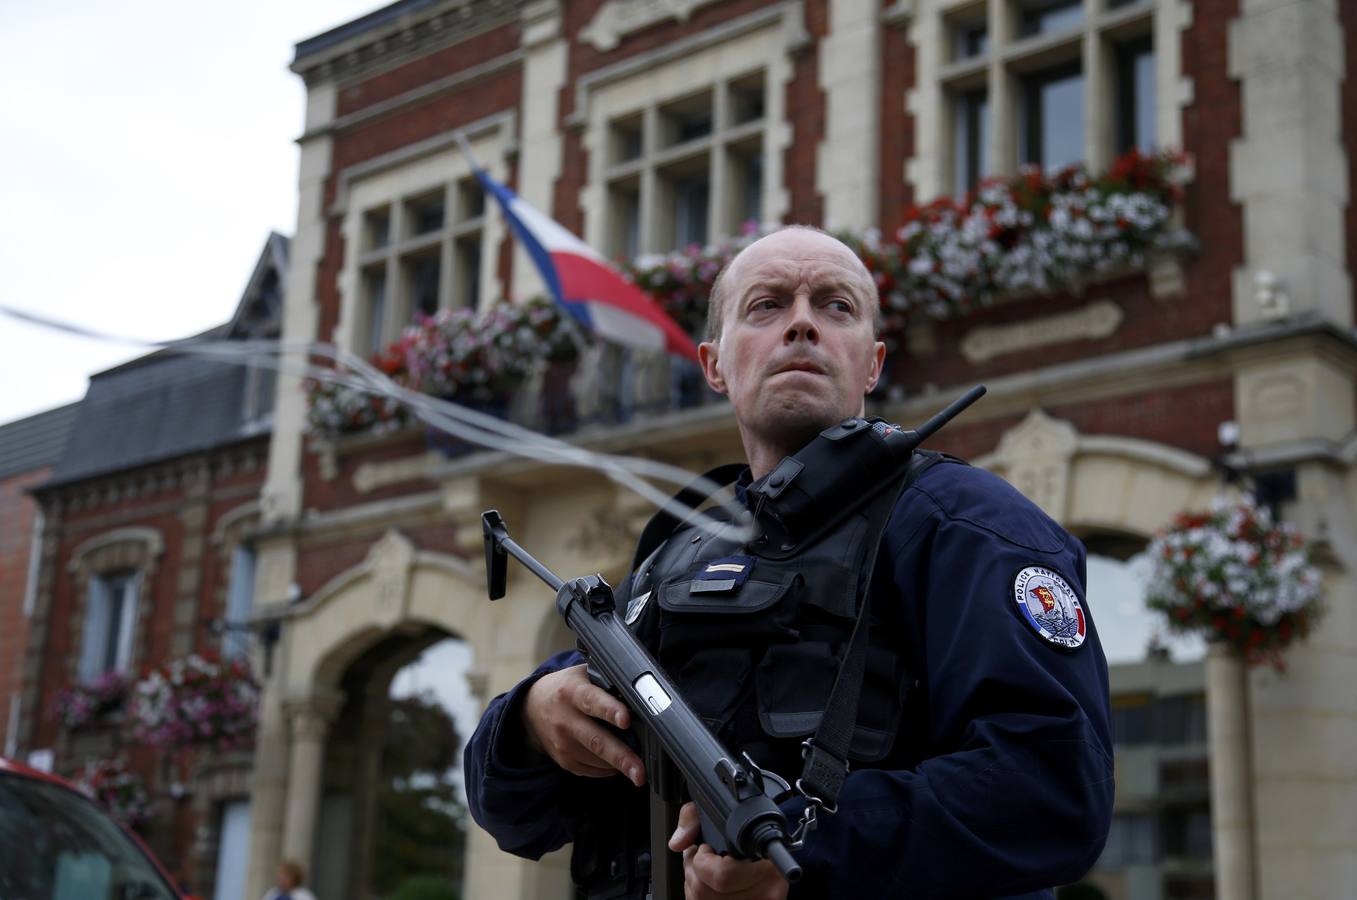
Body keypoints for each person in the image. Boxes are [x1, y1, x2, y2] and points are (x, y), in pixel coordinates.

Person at [465, 226, 1114, 899]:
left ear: (872, 363)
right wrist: (531, 722)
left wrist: (805, 848)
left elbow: (1054, 789)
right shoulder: (672, 554)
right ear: (713, 365)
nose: (801, 324)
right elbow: (514, 817)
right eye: (766, 305)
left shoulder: (965, 526)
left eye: (835, 306)